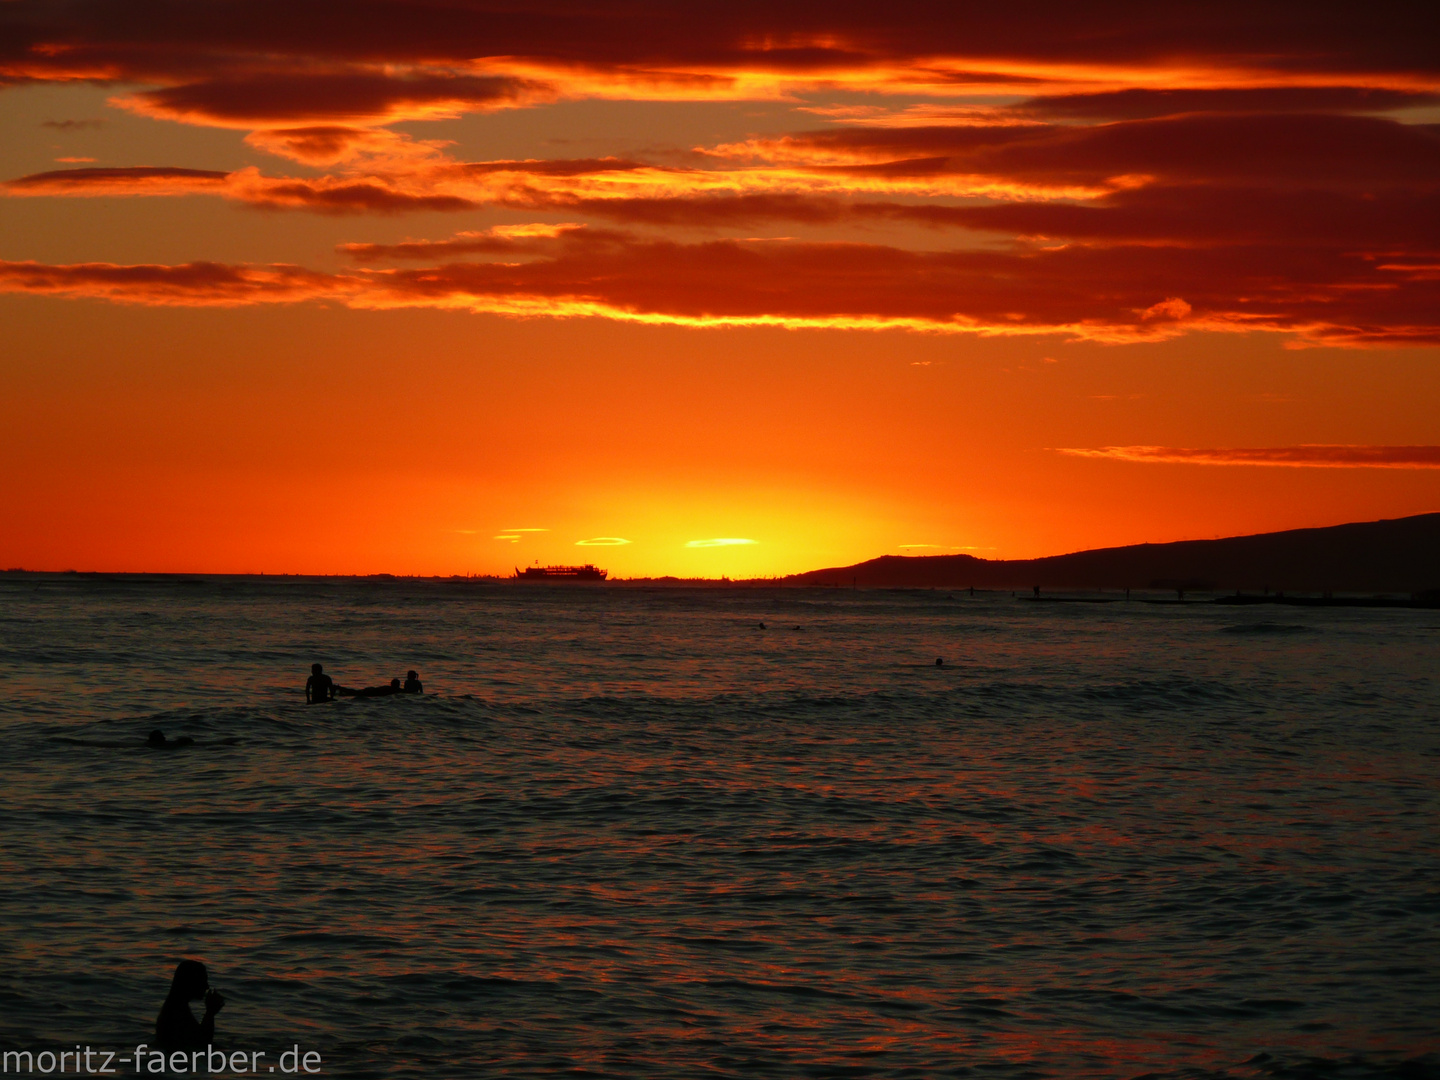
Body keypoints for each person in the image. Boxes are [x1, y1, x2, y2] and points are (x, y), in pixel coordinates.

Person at [155, 960, 224, 1050]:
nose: (207, 986)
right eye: (203, 981)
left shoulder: (175, 1007)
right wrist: (210, 1013)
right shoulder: (177, 1012)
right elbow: (202, 1043)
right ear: (191, 982)